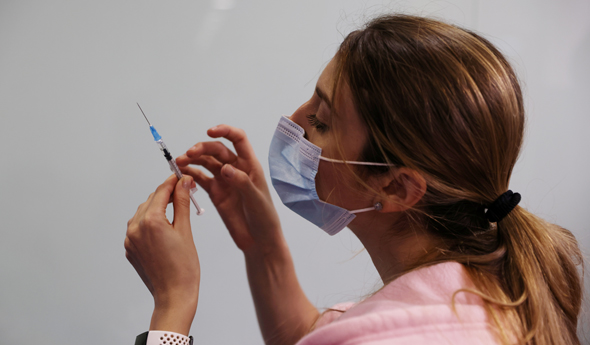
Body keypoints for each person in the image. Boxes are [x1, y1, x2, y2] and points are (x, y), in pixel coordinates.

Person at [125, 14, 584, 345]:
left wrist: (173, 305)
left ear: (397, 187)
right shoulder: (484, 295)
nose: (294, 121)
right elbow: (311, 337)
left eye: (322, 121)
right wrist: (262, 246)